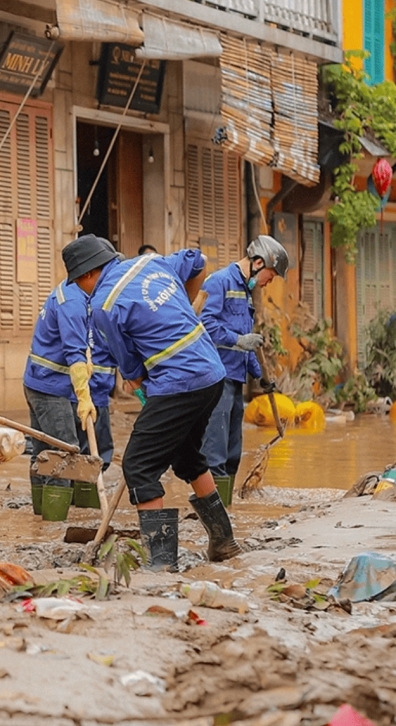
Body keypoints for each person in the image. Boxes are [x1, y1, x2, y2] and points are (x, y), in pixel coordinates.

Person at [69, 236, 241, 571]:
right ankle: (224, 541)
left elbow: (130, 369)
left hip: (180, 383)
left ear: (89, 274)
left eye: (79, 282)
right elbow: (197, 260)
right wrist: (184, 307)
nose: (81, 289)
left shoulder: (104, 303)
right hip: (212, 373)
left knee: (138, 465)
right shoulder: (152, 262)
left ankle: (161, 563)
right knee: (187, 456)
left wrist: (137, 378)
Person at [23, 244, 117, 513]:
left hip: (39, 382)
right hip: (51, 388)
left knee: (44, 452)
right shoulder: (74, 303)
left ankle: (43, 516)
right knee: (64, 454)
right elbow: (75, 354)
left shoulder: (72, 292)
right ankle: (54, 524)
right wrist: (85, 397)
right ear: (88, 274)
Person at [199, 235, 288, 503]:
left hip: (235, 378)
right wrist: (237, 339)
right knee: (214, 449)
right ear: (258, 263)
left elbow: (247, 344)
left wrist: (260, 377)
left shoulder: (246, 293)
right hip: (217, 378)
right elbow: (205, 324)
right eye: (270, 276)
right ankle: (211, 511)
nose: (269, 282)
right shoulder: (219, 282)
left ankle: (227, 507)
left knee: (232, 452)